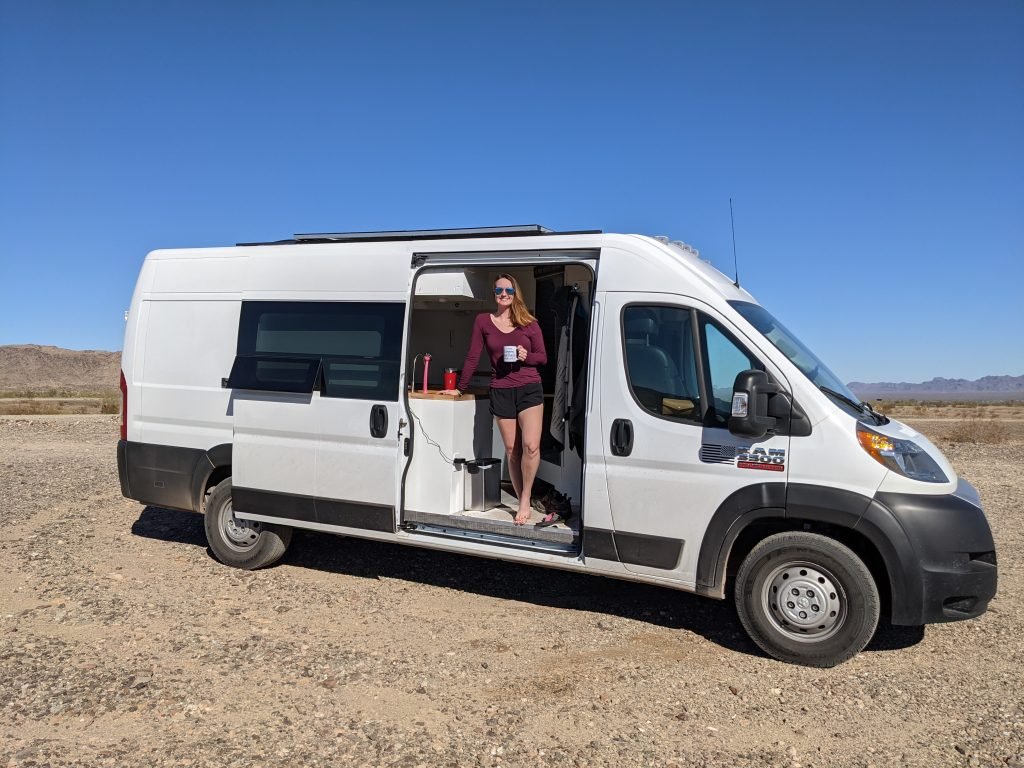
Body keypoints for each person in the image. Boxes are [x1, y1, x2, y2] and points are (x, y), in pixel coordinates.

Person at [443, 274, 547, 525]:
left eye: (508, 289)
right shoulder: (483, 322)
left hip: (529, 388)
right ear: (494, 293)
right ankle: (521, 493)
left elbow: (542, 357)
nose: (503, 293)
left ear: (515, 292)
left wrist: (526, 356)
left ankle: (525, 498)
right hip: (501, 389)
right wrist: (460, 388)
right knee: (513, 450)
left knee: (531, 446)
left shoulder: (529, 323)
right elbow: (472, 356)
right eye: (499, 289)